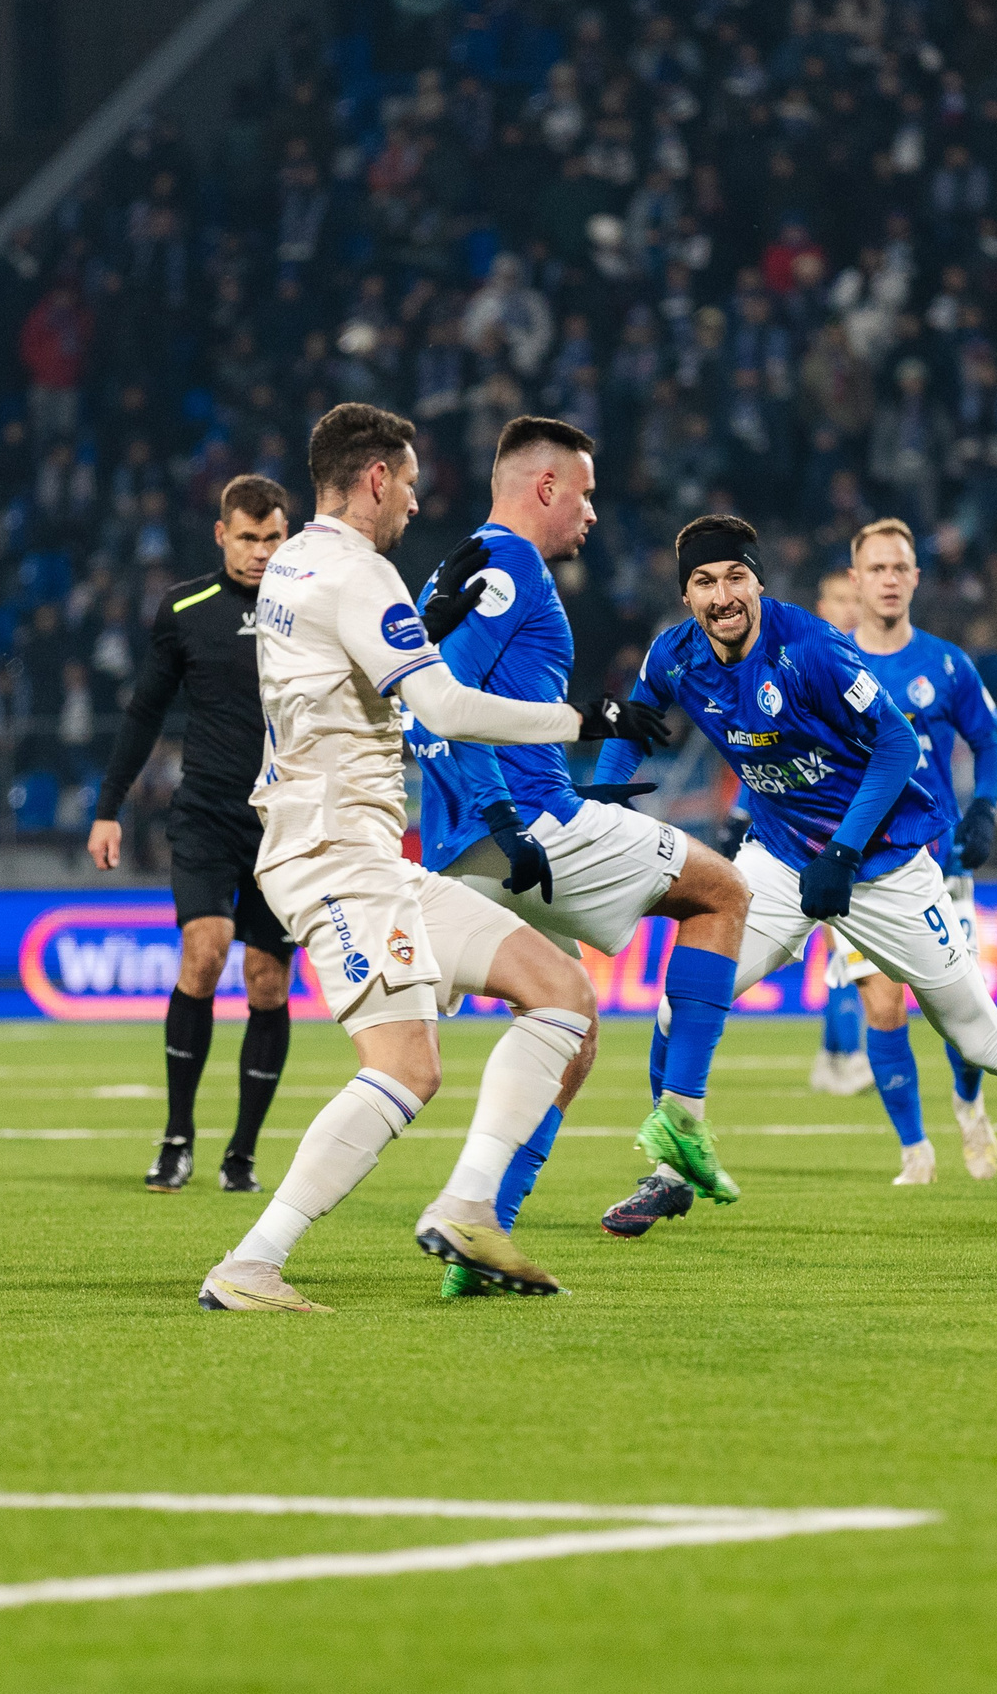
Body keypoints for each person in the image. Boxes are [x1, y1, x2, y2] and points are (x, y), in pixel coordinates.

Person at [588, 514, 997, 1239]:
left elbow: (898, 745)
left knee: (983, 1040)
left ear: (757, 579)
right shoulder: (675, 655)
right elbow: (632, 731)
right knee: (679, 1000)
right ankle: (671, 1171)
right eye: (704, 582)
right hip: (779, 857)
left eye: (735, 577)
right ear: (686, 594)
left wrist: (844, 851)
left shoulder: (809, 647)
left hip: (881, 863)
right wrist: (606, 814)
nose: (722, 596)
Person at [196, 403, 670, 1312]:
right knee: (408, 1065)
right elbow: (444, 709)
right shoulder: (359, 572)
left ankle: (466, 1208)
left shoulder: (294, 561)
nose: (416, 501)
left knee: (563, 991)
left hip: (370, 854)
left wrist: (424, 616)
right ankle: (252, 1262)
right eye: (409, 482)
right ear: (377, 477)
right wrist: (586, 718)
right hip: (334, 854)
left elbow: (350, 662)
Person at [402, 416, 754, 1289]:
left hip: (475, 839)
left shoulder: (458, 564)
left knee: (572, 1027)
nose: (592, 513)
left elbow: (445, 702)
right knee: (725, 892)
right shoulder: (512, 564)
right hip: (522, 828)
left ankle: (481, 1233)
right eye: (586, 493)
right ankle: (679, 1118)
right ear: (547, 487)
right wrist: (510, 813)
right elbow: (431, 705)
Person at [89, 475, 298, 1195]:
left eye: (273, 538)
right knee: (203, 955)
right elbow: (145, 711)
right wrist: (108, 805)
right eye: (248, 537)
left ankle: (241, 1152)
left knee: (268, 981)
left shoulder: (314, 607)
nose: (261, 552)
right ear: (221, 534)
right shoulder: (186, 607)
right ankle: (177, 1136)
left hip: (285, 824)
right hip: (207, 811)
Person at [834, 517, 997, 1184]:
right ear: (856, 580)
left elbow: (989, 742)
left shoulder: (945, 663)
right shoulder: (830, 661)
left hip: (939, 863)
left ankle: (969, 1102)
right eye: (874, 568)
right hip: (860, 865)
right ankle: (915, 1149)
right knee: (882, 1003)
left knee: (959, 1016)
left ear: (915, 577)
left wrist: (985, 808)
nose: (887, 579)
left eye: (898, 567)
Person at [806, 563, 875, 1098]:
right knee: (844, 943)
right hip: (817, 824)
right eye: (836, 597)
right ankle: (848, 1055)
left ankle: (834, 1055)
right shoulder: (807, 662)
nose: (848, 607)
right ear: (820, 607)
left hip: (864, 820)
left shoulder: (870, 662)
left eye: (853, 597)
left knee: (842, 946)